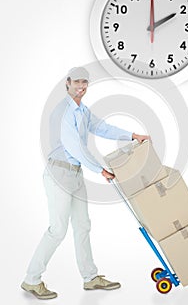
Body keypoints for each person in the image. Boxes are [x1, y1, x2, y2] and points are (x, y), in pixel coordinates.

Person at [21, 67, 149, 299]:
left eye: (85, 83)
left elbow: (102, 127)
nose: (81, 86)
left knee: (83, 225)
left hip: (76, 174)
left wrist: (132, 135)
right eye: (77, 82)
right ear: (67, 83)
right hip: (59, 174)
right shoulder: (63, 112)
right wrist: (100, 169)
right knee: (57, 229)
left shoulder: (82, 110)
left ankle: (90, 278)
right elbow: (74, 147)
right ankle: (31, 280)